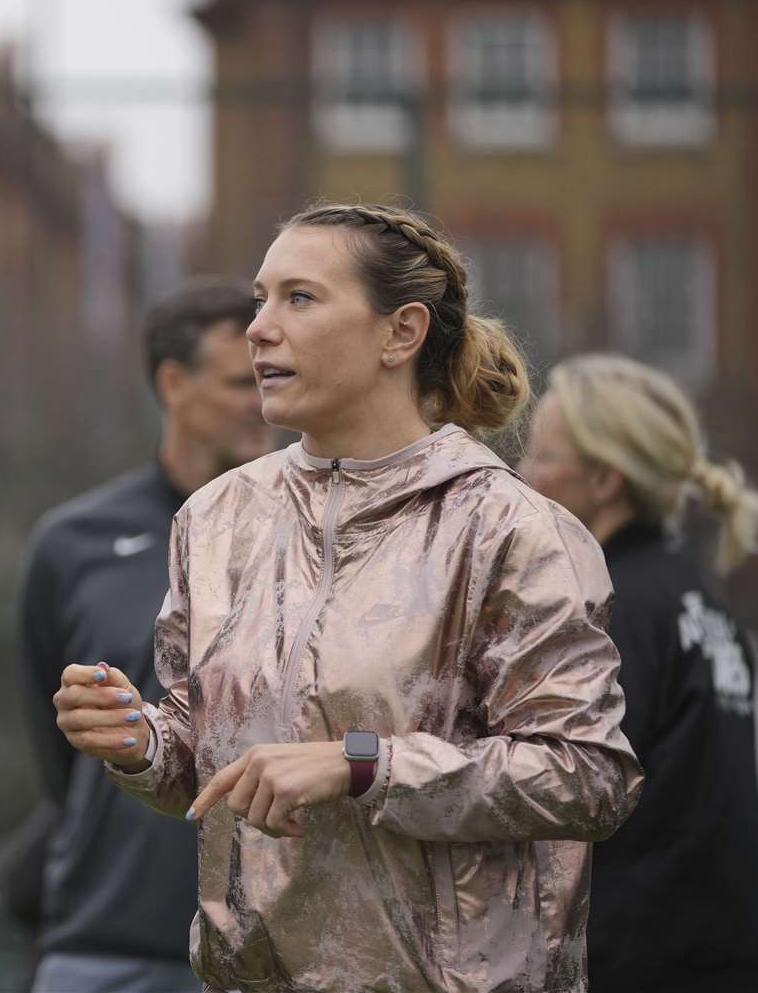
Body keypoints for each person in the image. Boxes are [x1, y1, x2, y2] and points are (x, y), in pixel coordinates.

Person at [52, 203, 644, 991]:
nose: (258, 328)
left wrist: (365, 766)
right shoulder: (214, 519)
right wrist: (141, 741)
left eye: (298, 298)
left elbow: (588, 775)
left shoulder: (513, 528)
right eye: (260, 298)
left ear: (401, 333)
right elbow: (207, 763)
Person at [19, 282, 277, 993]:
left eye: (268, 379)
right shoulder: (73, 543)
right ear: (172, 383)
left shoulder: (318, 536)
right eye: (238, 382)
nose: (262, 401)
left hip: (280, 949)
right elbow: (62, 755)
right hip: (111, 939)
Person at [519, 353, 758, 993]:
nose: (523, 475)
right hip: (723, 954)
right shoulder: (696, 597)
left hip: (636, 960)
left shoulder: (612, 610)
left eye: (543, 456)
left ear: (604, 480)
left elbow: (563, 790)